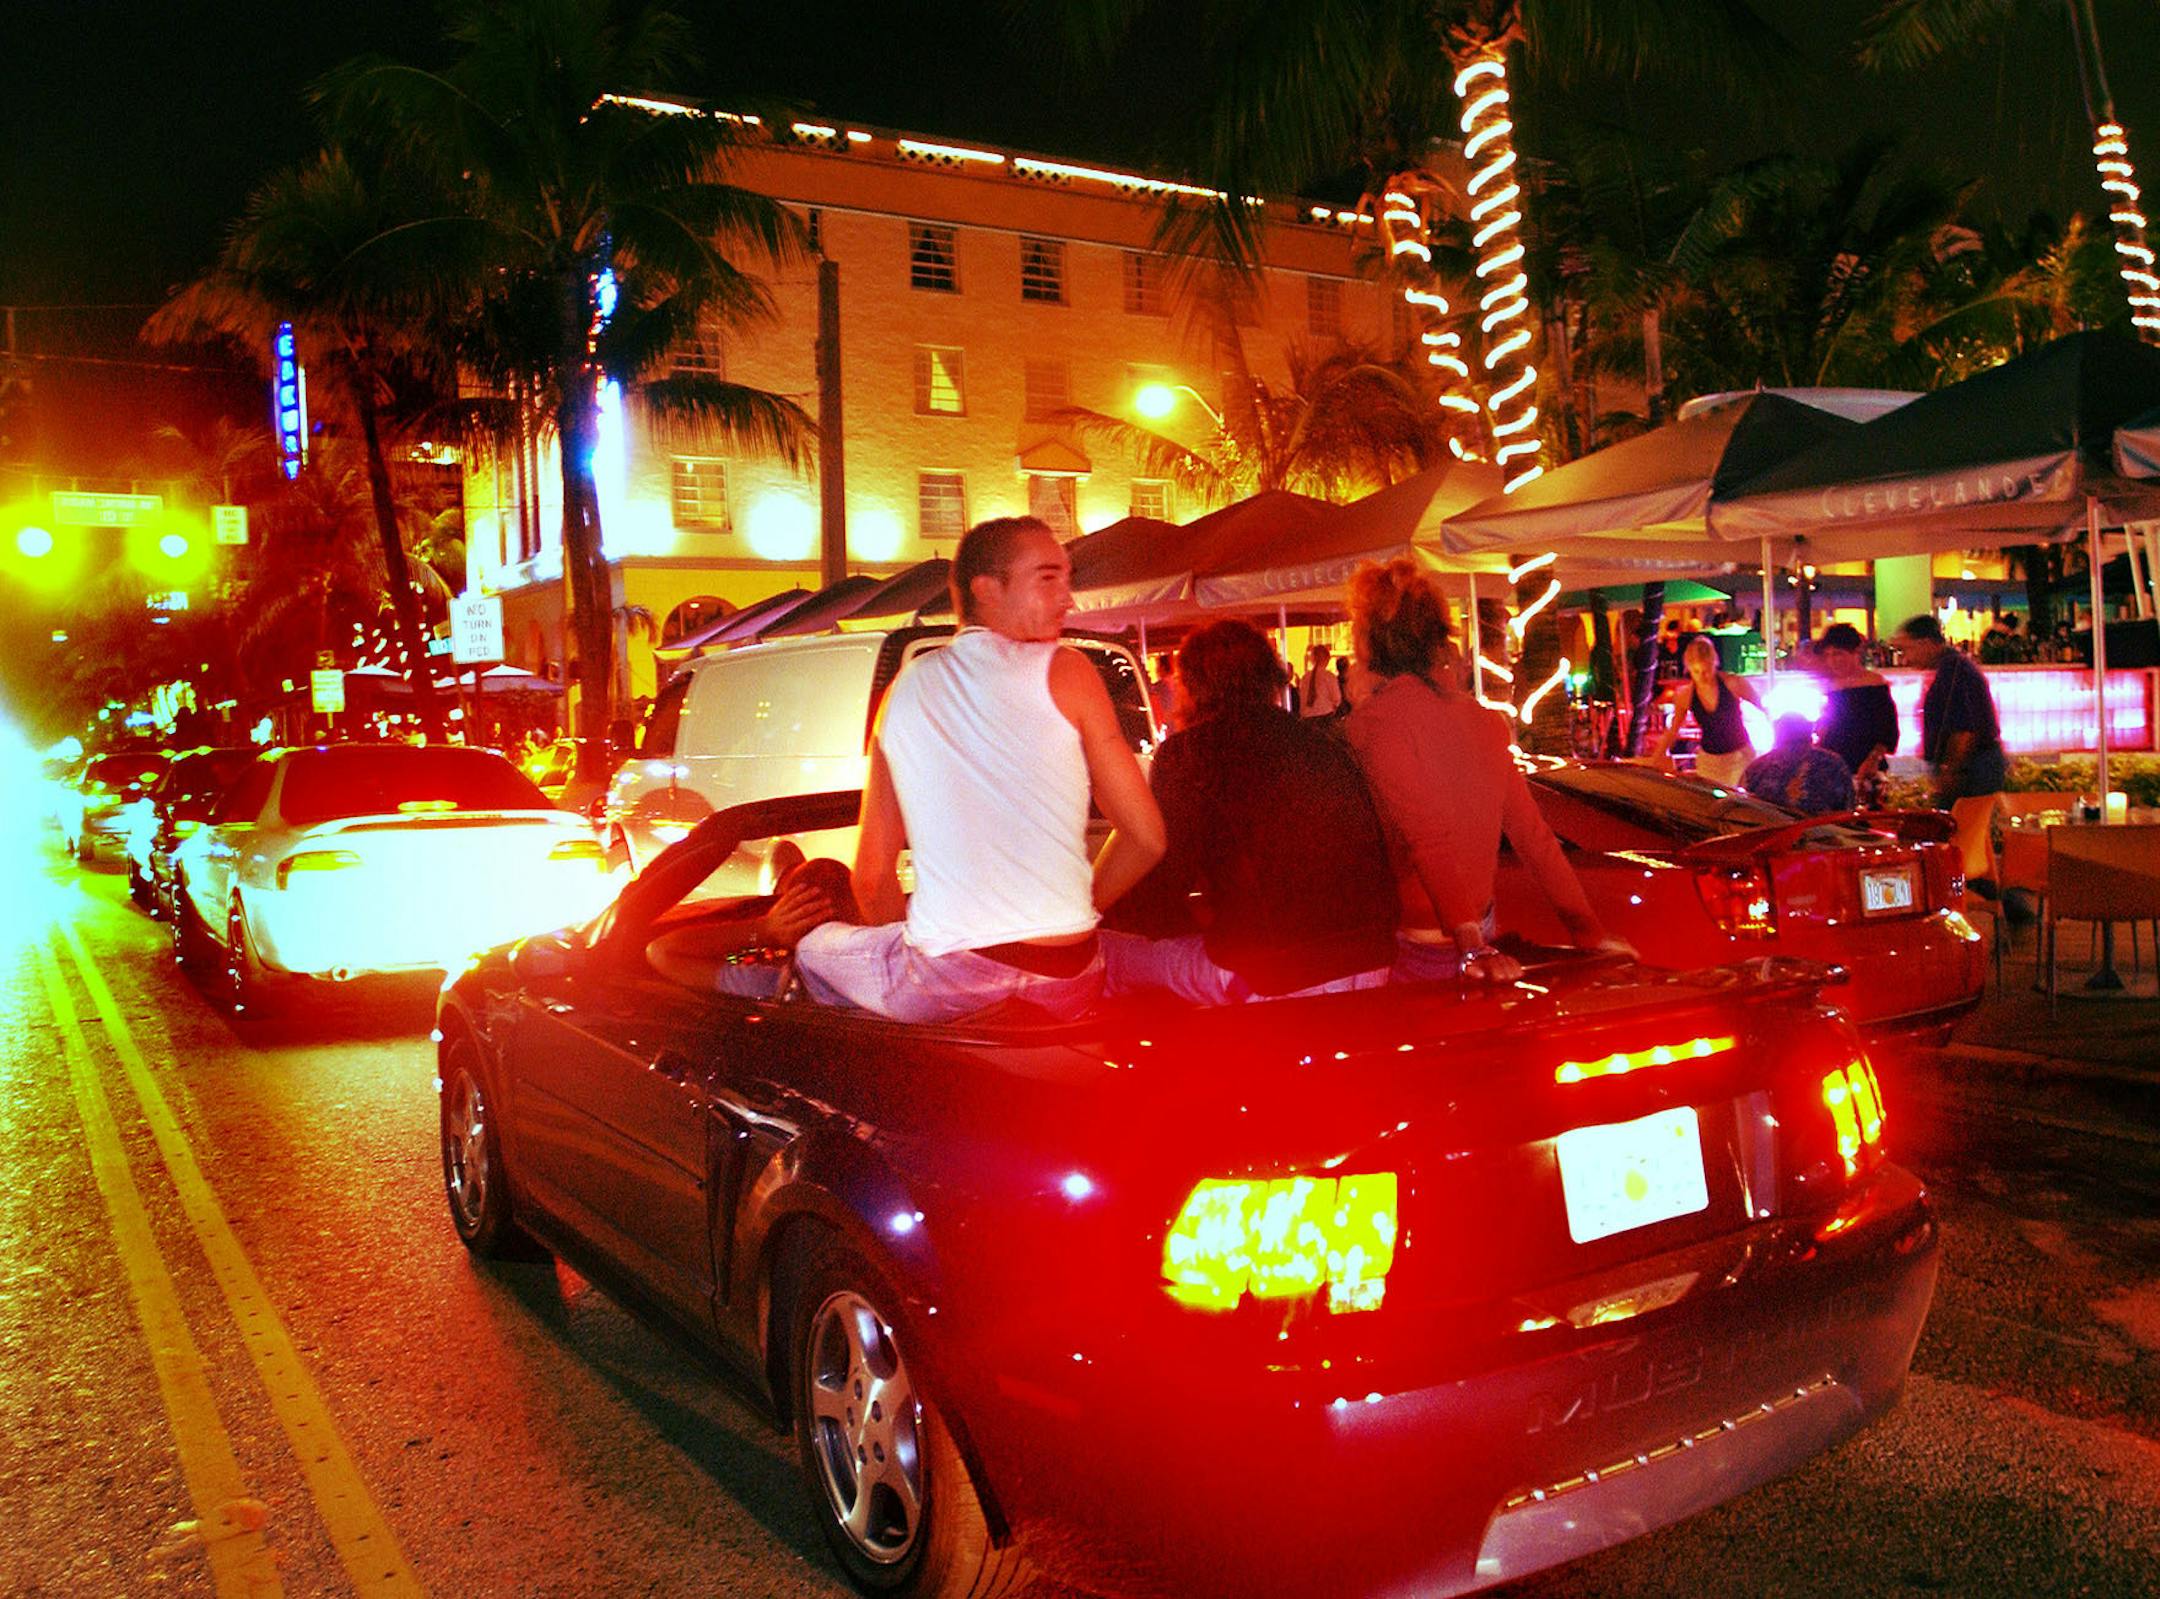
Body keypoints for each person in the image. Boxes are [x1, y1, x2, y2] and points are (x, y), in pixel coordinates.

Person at [794, 516, 1167, 1023]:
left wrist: (928, 945)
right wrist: (1071, 910)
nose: (1069, 599)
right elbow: (1146, 838)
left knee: (812, 949)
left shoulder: (901, 692)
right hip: (1070, 977)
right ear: (987, 591)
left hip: (946, 986)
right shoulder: (1072, 673)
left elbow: (873, 880)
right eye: (1048, 578)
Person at [1341, 557, 1622, 985]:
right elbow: (1533, 838)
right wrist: (1587, 931)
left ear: (1368, 641)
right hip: (1476, 926)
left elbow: (1426, 836)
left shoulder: (1376, 723)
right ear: (1437, 638)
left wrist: (1470, 944)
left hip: (1424, 940)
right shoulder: (1484, 720)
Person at [1104, 620, 1396, 1004]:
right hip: (1373, 963)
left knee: (1108, 952)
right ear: (1270, 678)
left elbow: (1158, 892)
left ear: (1190, 686)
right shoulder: (1324, 744)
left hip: (1276, 976)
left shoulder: (1190, 753)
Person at [1896, 613, 2007, 888]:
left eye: (1907, 649)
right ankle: (1995, 896)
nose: (1905, 658)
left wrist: (1950, 769)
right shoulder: (1953, 669)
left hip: (1971, 767)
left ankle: (1957, 895)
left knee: (1952, 837)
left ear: (1926, 643)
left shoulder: (1956, 673)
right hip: (1974, 764)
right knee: (1966, 837)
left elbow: (1965, 729)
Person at [1646, 636, 1764, 786]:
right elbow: (1672, 731)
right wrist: (1654, 760)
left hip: (1740, 758)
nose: (1702, 676)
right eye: (1696, 671)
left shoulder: (1733, 683)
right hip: (1709, 762)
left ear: (1714, 663)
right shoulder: (1685, 695)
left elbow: (1762, 708)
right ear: (1689, 669)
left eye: (1706, 669)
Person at [1813, 621, 1898, 806]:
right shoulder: (1829, 687)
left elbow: (1888, 728)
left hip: (1865, 762)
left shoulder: (1874, 684)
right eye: (1828, 655)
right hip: (1834, 762)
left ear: (1855, 652)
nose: (1833, 660)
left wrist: (1873, 758)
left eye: (1838, 654)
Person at [1742, 715, 1856, 815]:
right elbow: (1847, 809)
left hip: (1765, 833)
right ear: (1809, 735)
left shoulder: (1758, 766)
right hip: (1822, 834)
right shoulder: (1833, 763)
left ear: (1778, 736)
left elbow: (1741, 806)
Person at [1297, 641, 1344, 718]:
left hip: (1307, 719)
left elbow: (1302, 699)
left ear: (1312, 659)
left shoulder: (1305, 677)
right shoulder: (1329, 677)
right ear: (1327, 659)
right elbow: (1337, 699)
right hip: (1325, 718)